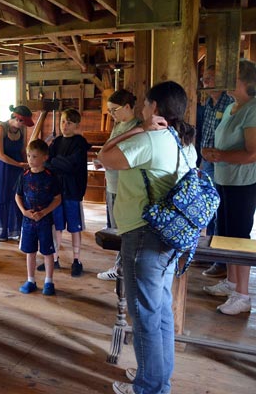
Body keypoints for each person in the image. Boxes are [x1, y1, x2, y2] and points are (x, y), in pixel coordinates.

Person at [98, 81, 197, 394]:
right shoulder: (180, 140)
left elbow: (105, 156)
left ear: (155, 108)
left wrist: (137, 128)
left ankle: (150, 387)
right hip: (167, 237)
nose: (142, 109)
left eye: (144, 105)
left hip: (144, 236)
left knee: (144, 316)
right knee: (159, 312)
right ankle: (156, 377)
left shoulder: (152, 138)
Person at [202, 58, 256, 315]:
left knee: (240, 237)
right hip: (224, 178)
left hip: (242, 181)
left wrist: (220, 156)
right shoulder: (235, 106)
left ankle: (243, 295)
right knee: (225, 233)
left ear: (244, 81)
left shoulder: (252, 109)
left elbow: (252, 153)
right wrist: (214, 153)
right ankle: (232, 282)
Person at [39, 108, 91, 277]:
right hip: (57, 191)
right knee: (57, 226)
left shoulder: (80, 143)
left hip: (73, 190)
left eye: (69, 122)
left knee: (75, 227)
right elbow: (47, 162)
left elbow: (72, 165)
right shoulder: (56, 142)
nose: (64, 125)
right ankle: (54, 259)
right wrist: (59, 163)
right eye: (62, 121)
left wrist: (57, 162)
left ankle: (77, 260)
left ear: (76, 124)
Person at [95, 89, 141, 281]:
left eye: (114, 110)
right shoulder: (119, 125)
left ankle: (123, 267)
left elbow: (125, 156)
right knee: (114, 227)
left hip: (125, 185)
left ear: (128, 107)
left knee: (124, 229)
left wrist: (106, 160)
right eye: (109, 110)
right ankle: (120, 265)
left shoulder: (137, 128)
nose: (112, 114)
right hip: (112, 183)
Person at [199, 65, 235, 278]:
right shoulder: (209, 103)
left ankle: (220, 260)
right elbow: (206, 132)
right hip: (207, 161)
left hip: (223, 162)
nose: (206, 83)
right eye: (204, 79)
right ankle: (210, 253)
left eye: (211, 78)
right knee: (207, 207)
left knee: (218, 208)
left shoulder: (229, 102)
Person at [15, 139, 62, 295]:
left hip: (46, 221)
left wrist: (44, 212)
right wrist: (23, 211)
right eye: (28, 156)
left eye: (34, 156)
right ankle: (31, 280)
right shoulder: (24, 175)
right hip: (28, 220)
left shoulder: (51, 176)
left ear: (44, 157)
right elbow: (18, 196)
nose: (30, 159)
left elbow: (57, 199)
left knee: (48, 252)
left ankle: (49, 281)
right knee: (30, 251)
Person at [0, 105, 33, 241]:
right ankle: (1, 231)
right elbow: (0, 154)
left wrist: (28, 164)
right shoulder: (0, 129)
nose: (23, 126)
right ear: (17, 119)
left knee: (16, 195)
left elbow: (22, 150)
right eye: (23, 123)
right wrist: (19, 164)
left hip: (16, 167)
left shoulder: (20, 132)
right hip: (1, 167)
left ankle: (16, 229)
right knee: (1, 195)